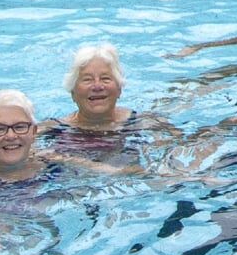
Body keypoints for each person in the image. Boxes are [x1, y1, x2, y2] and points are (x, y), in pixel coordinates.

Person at [0, 89, 118, 255]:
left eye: (20, 126)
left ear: (34, 131)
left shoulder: (52, 160)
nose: (11, 136)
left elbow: (112, 173)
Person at [43, 42, 177, 166]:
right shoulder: (52, 129)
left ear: (119, 89)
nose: (97, 86)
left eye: (105, 78)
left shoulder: (146, 123)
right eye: (87, 79)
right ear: (72, 91)